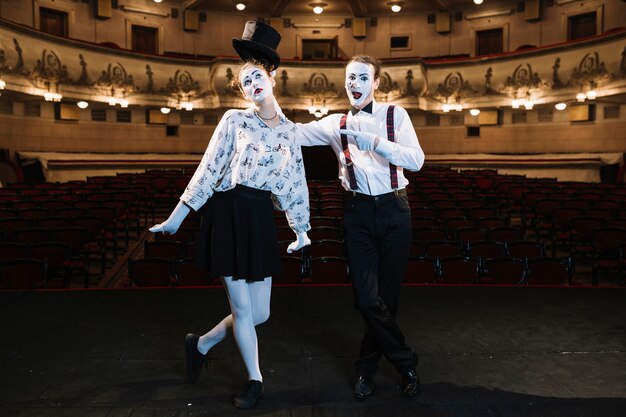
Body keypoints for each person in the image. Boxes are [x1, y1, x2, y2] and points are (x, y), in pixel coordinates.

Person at [149, 21, 311, 409]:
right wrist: (178, 216)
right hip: (228, 213)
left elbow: (295, 183)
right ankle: (255, 379)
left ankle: (201, 343)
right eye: (245, 82)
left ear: (273, 77)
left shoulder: (290, 132)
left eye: (257, 76)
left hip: (258, 218)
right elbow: (207, 170)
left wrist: (300, 228)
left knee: (261, 313)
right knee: (242, 309)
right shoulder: (234, 121)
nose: (252, 84)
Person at [296, 55, 425, 399]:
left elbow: (417, 160)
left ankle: (366, 369)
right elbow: (294, 133)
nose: (355, 83)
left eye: (362, 77)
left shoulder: (396, 115)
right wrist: (263, 100)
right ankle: (406, 361)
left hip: (395, 210)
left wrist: (378, 144)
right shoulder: (334, 122)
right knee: (368, 300)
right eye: (350, 77)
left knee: (388, 299)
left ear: (376, 82)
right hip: (356, 212)